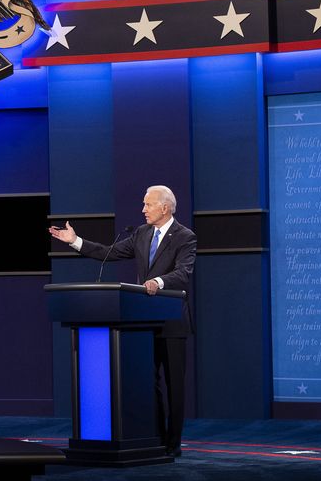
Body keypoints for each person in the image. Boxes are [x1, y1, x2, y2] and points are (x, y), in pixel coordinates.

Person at [48, 185, 196, 458]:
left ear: (164, 208)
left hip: (173, 323)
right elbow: (109, 253)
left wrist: (158, 281)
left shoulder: (185, 237)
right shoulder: (141, 234)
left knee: (175, 386)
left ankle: (173, 444)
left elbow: (183, 273)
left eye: (148, 205)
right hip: (143, 323)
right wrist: (75, 241)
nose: (143, 210)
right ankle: (156, 438)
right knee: (148, 384)